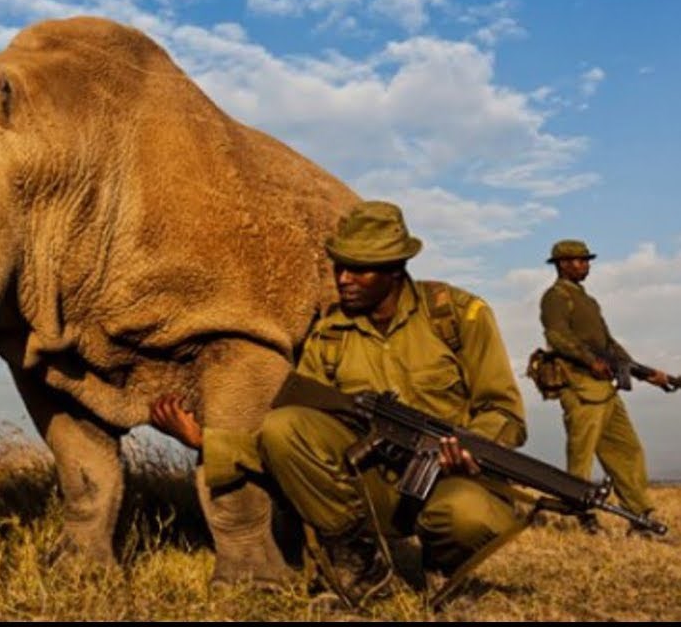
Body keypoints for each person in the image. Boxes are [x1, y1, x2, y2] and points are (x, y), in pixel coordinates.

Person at [152, 200, 526, 606]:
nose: (343, 279)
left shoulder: (457, 317)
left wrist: (470, 447)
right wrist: (204, 440)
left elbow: (505, 413)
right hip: (371, 487)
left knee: (468, 515)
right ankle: (359, 568)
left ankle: (442, 566)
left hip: (449, 480)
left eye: (359, 269)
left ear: (395, 269)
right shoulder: (329, 336)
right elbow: (283, 443)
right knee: (284, 425)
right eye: (338, 266)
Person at [539, 239, 668, 538]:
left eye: (586, 260)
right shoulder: (555, 297)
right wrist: (588, 360)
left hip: (604, 388)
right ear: (562, 264)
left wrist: (645, 372)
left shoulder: (588, 300)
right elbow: (557, 337)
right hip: (580, 386)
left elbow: (609, 344)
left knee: (627, 450)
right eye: (578, 260)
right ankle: (580, 516)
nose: (585, 265)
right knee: (581, 457)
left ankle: (640, 516)